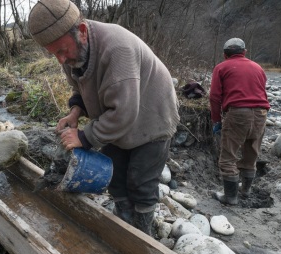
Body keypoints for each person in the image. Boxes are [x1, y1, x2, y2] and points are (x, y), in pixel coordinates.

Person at [28, 0, 180, 236]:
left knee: (140, 182)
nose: (60, 60)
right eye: (53, 53)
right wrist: (75, 112)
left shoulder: (117, 49)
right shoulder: (72, 54)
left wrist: (84, 137)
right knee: (115, 176)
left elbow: (124, 113)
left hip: (153, 116)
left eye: (61, 51)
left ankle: (143, 235)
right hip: (116, 115)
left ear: (82, 32)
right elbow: (80, 89)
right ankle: (124, 223)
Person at [209, 38, 270, 205]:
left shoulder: (221, 67)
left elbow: (214, 97)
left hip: (237, 114)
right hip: (261, 113)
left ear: (224, 54)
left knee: (228, 157)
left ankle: (230, 197)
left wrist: (216, 121)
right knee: (251, 154)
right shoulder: (258, 68)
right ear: (244, 52)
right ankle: (245, 191)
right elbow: (261, 91)